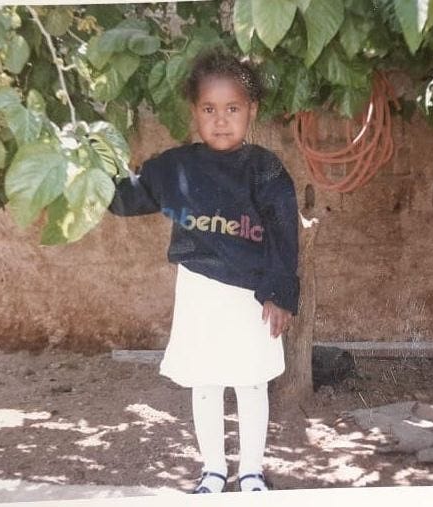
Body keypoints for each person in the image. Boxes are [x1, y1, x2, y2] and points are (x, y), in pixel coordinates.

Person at [109, 48, 300, 493]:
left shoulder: (265, 170)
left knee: (252, 384)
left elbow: (284, 235)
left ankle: (251, 472)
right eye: (209, 109)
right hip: (200, 293)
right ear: (194, 112)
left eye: (232, 108)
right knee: (206, 383)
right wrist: (90, 167)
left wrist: (280, 293)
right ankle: (213, 470)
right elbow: (126, 197)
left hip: (253, 296)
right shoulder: (176, 167)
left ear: (252, 110)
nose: (221, 120)